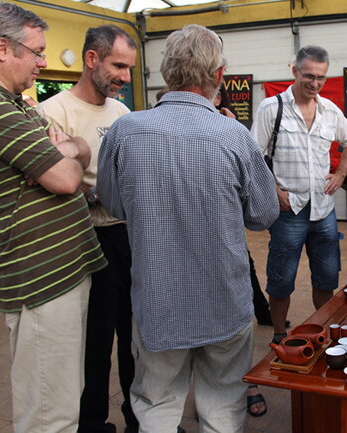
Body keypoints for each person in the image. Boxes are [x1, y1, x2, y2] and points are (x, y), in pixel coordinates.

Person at [97, 24, 278, 433]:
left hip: (158, 299)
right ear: (218, 76)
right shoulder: (234, 136)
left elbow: (112, 203)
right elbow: (264, 215)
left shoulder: (125, 131)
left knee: (157, 403)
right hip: (224, 298)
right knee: (223, 404)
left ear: (165, 71)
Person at [0, 3, 107, 433]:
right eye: (38, 52)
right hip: (41, 281)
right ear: (2, 48)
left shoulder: (16, 104)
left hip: (61, 274)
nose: (44, 63)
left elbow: (76, 154)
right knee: (50, 413)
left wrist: (70, 150)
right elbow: (68, 179)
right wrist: (64, 156)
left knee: (61, 396)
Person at [37, 25, 139, 433]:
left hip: (128, 236)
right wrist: (94, 191)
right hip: (85, 243)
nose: (126, 78)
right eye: (119, 66)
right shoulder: (54, 112)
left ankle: (140, 420)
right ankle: (93, 424)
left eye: (130, 68)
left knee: (135, 340)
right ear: (91, 59)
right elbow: (56, 184)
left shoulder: (123, 114)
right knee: (94, 344)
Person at [251, 45, 347, 344]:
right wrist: (273, 189)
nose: (315, 83)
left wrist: (341, 174)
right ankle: (279, 334)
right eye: (309, 76)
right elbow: (252, 156)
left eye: (321, 77)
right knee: (281, 280)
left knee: (326, 277)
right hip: (288, 213)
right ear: (294, 71)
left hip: (323, 211)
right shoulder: (271, 109)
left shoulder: (329, 111)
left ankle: (323, 330)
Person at [214, 85, 268, 419]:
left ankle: (245, 384)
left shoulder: (232, 132)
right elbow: (262, 213)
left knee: (236, 306)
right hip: (180, 255)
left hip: (225, 241)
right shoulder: (136, 129)